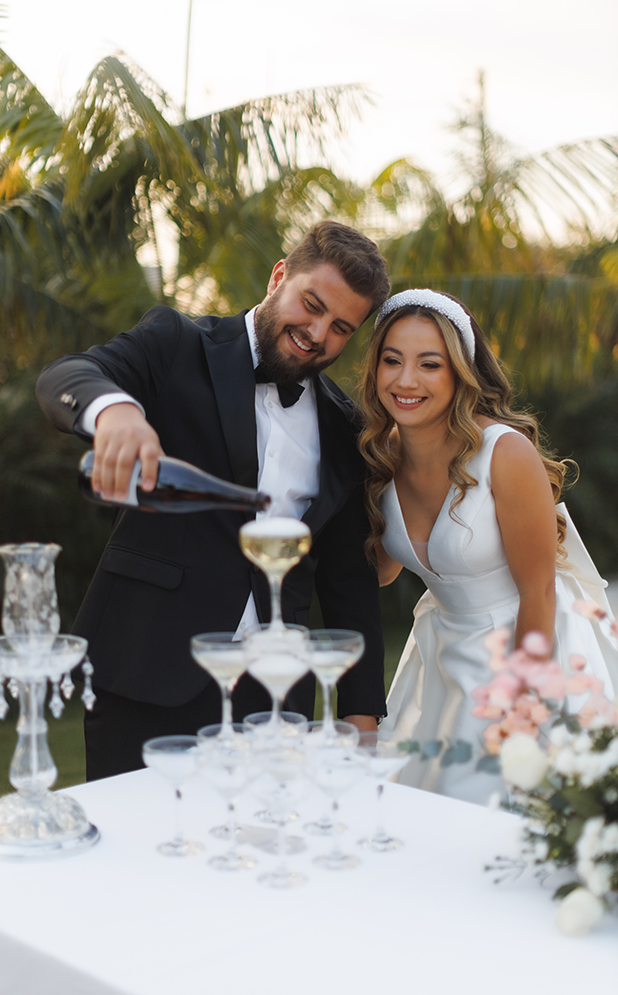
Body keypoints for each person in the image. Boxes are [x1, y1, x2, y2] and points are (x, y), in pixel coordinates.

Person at [37, 221, 390, 780]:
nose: (317, 333)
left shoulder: (345, 428)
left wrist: (362, 716)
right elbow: (69, 374)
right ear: (279, 277)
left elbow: (350, 583)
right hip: (148, 667)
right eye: (312, 304)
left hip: (275, 696)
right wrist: (115, 411)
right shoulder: (177, 342)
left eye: (340, 327)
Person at [358, 288, 618, 803]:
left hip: (526, 643)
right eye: (392, 360)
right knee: (428, 805)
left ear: (460, 373)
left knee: (506, 805)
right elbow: (382, 572)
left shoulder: (504, 452)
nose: (405, 380)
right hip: (442, 653)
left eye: (429, 364)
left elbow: (539, 590)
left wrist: (521, 705)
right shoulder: (382, 456)